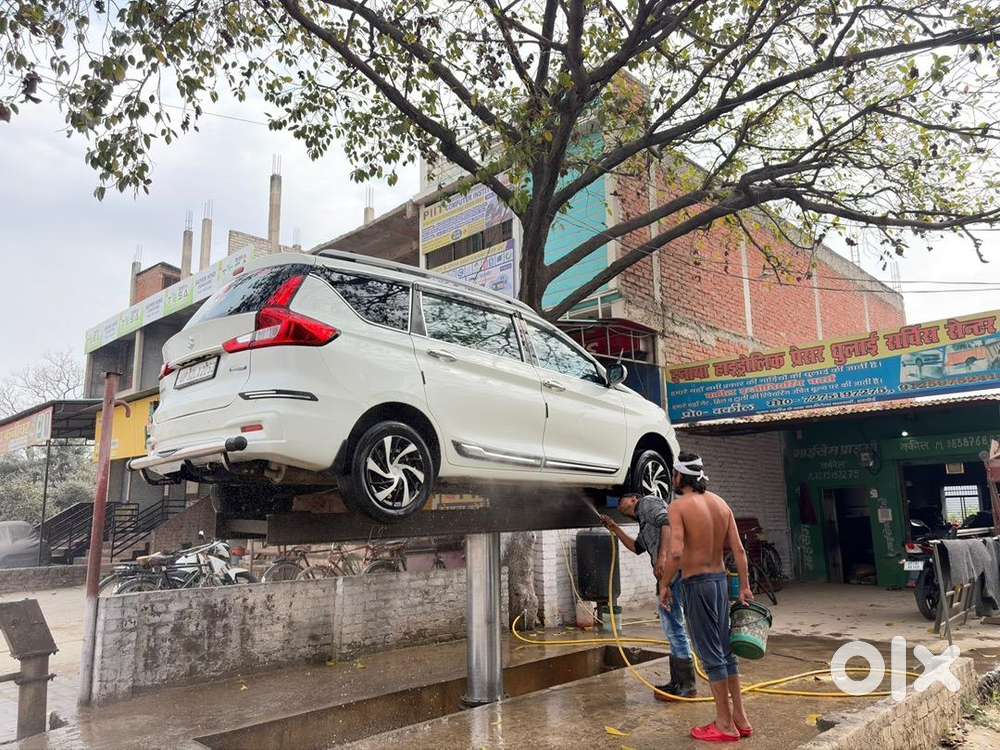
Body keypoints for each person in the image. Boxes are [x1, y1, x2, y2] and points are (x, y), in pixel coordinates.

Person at [659, 452, 754, 743]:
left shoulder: (679, 506)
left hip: (696, 584)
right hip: (720, 583)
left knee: (711, 655)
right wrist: (746, 587)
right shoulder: (720, 503)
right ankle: (740, 718)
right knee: (726, 651)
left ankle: (724, 725)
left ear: (679, 476)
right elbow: (738, 550)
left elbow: (675, 552)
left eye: (673, 475)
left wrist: (664, 584)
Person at [600, 491, 696, 698]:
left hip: (674, 573)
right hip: (669, 576)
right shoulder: (644, 522)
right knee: (672, 626)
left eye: (622, 498)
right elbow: (636, 547)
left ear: (634, 499)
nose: (619, 502)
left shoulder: (648, 503)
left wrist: (662, 557)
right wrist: (614, 528)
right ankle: (679, 682)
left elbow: (667, 522)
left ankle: (686, 686)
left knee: (675, 626)